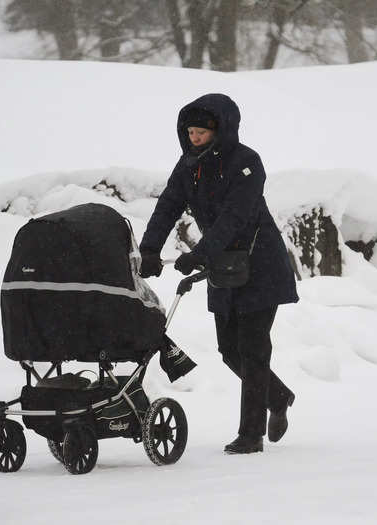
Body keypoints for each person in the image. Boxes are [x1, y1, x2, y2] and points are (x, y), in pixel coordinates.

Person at [138, 93, 299, 454]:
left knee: (253, 348)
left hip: (260, 265)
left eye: (201, 132)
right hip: (223, 269)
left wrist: (199, 253)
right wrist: (149, 249)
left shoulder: (247, 163)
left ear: (221, 130)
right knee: (229, 350)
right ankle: (279, 396)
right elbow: (167, 207)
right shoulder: (187, 167)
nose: (194, 138)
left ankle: (251, 433)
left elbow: (235, 216)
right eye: (190, 132)